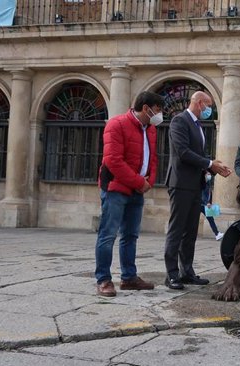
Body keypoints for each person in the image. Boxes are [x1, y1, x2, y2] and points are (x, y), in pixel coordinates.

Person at [94, 91, 164, 297]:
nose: (159, 116)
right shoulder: (116, 124)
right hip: (116, 188)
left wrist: (149, 182)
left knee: (131, 235)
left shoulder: (150, 130)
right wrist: (138, 181)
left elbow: (152, 158)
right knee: (108, 235)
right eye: (157, 111)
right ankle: (104, 280)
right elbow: (113, 160)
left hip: (137, 190)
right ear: (146, 108)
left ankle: (129, 277)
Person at [163, 91, 232, 290]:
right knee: (177, 230)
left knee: (190, 231)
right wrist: (210, 163)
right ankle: (172, 274)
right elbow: (183, 152)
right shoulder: (179, 121)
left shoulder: (197, 125)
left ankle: (187, 272)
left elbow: (197, 154)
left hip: (195, 185)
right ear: (200, 103)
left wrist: (213, 166)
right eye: (208, 105)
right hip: (181, 183)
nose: (209, 110)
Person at [201, 171, 224, 241]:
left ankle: (217, 234)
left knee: (211, 219)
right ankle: (217, 234)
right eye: (208, 174)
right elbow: (202, 194)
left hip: (205, 205)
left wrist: (209, 202)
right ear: (204, 175)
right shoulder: (203, 183)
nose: (209, 176)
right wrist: (207, 202)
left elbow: (208, 194)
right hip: (202, 204)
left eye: (210, 174)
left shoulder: (208, 183)